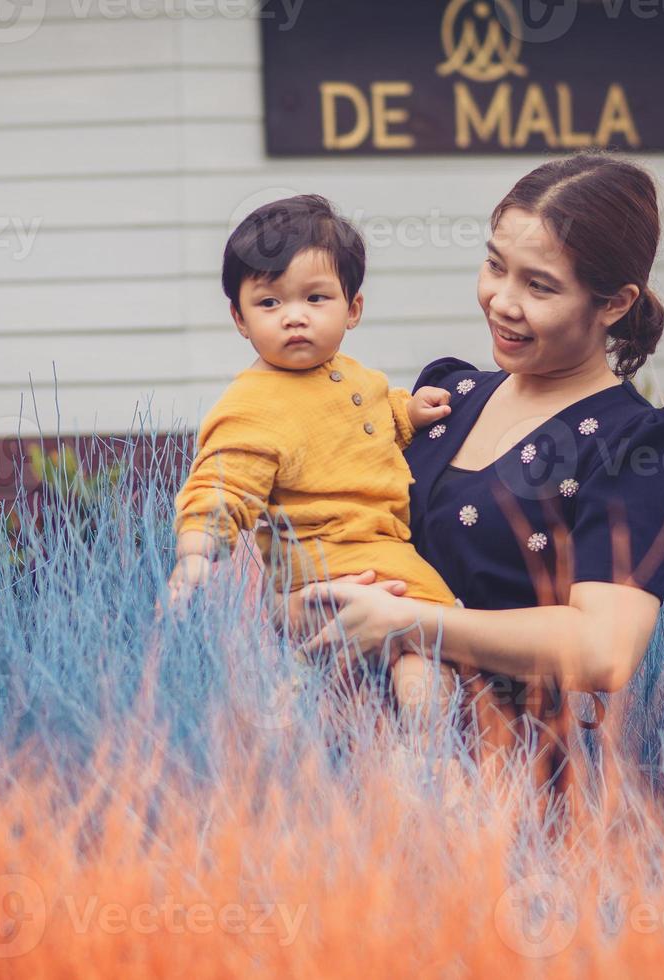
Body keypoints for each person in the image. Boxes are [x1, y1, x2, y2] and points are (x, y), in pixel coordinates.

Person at [291, 152, 664, 793]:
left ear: (614, 303)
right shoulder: (446, 396)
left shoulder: (632, 442)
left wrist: (410, 622)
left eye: (540, 286)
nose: (502, 301)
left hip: (499, 782)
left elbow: (604, 650)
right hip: (342, 754)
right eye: (494, 265)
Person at [168, 195, 459, 646]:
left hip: (376, 550)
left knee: (405, 659)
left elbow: (372, 413)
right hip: (334, 559)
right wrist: (196, 553)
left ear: (353, 308)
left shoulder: (353, 374)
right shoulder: (253, 403)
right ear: (239, 318)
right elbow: (223, 480)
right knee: (444, 631)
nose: (294, 317)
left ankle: (401, 714)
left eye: (315, 298)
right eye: (269, 302)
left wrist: (409, 412)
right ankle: (441, 713)